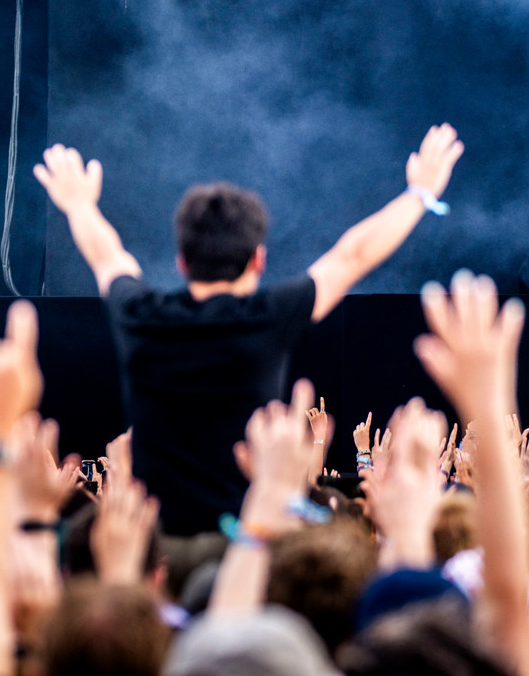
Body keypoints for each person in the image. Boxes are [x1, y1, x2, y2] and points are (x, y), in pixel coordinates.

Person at [34, 124, 464, 535]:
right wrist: (418, 194)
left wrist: (78, 204)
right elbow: (352, 256)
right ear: (258, 259)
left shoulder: (140, 315)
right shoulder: (269, 316)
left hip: (159, 548)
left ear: (182, 261)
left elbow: (107, 256)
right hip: (246, 542)